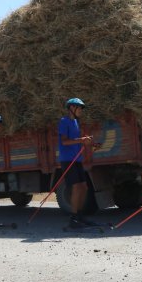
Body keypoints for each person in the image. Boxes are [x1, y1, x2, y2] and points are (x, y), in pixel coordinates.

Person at [58, 98, 96, 229]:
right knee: (75, 187)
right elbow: (64, 141)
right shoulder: (64, 121)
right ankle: (73, 219)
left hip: (77, 159)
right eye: (79, 108)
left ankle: (79, 215)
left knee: (84, 187)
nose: (81, 110)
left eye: (81, 108)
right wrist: (81, 140)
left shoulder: (76, 122)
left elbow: (78, 141)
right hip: (68, 160)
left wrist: (92, 144)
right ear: (71, 108)